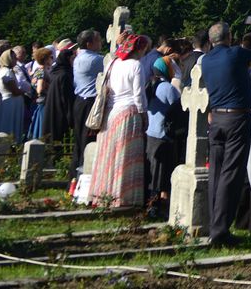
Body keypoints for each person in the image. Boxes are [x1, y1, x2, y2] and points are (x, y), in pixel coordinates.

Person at [205, 15, 251, 244]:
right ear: (229, 37)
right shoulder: (235, 54)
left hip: (217, 117)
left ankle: (214, 224)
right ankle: (220, 231)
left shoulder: (206, 60)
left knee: (216, 172)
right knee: (231, 173)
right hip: (236, 117)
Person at [90, 34, 149, 209]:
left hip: (110, 113)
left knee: (108, 156)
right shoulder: (136, 65)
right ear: (139, 49)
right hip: (129, 113)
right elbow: (138, 95)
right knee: (125, 157)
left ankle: (104, 193)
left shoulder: (113, 63)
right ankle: (124, 197)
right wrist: (144, 114)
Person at [144, 54, 182, 215]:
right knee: (161, 174)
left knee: (153, 171)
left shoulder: (151, 85)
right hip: (163, 135)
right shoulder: (167, 88)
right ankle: (155, 207)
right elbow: (179, 106)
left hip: (150, 133)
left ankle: (151, 204)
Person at [70, 30, 105, 171]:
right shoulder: (95, 60)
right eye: (98, 40)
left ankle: (74, 173)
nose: (101, 42)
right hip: (90, 102)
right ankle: (84, 172)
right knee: (88, 140)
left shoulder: (78, 57)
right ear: (89, 44)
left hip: (79, 101)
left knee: (79, 140)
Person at [0, 49, 31, 138]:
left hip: (8, 102)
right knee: (9, 125)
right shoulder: (7, 72)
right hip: (11, 102)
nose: (16, 60)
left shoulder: (3, 70)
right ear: (8, 59)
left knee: (6, 124)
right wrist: (25, 91)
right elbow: (15, 91)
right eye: (13, 58)